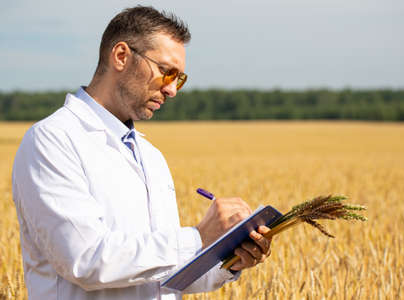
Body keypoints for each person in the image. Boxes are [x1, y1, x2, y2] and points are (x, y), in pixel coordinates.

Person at [12, 5, 272, 300]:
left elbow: (166, 277)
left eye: (179, 78)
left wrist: (230, 259)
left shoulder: (151, 157)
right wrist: (199, 236)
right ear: (121, 56)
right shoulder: (52, 140)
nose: (173, 89)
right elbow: (85, 260)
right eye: (166, 72)